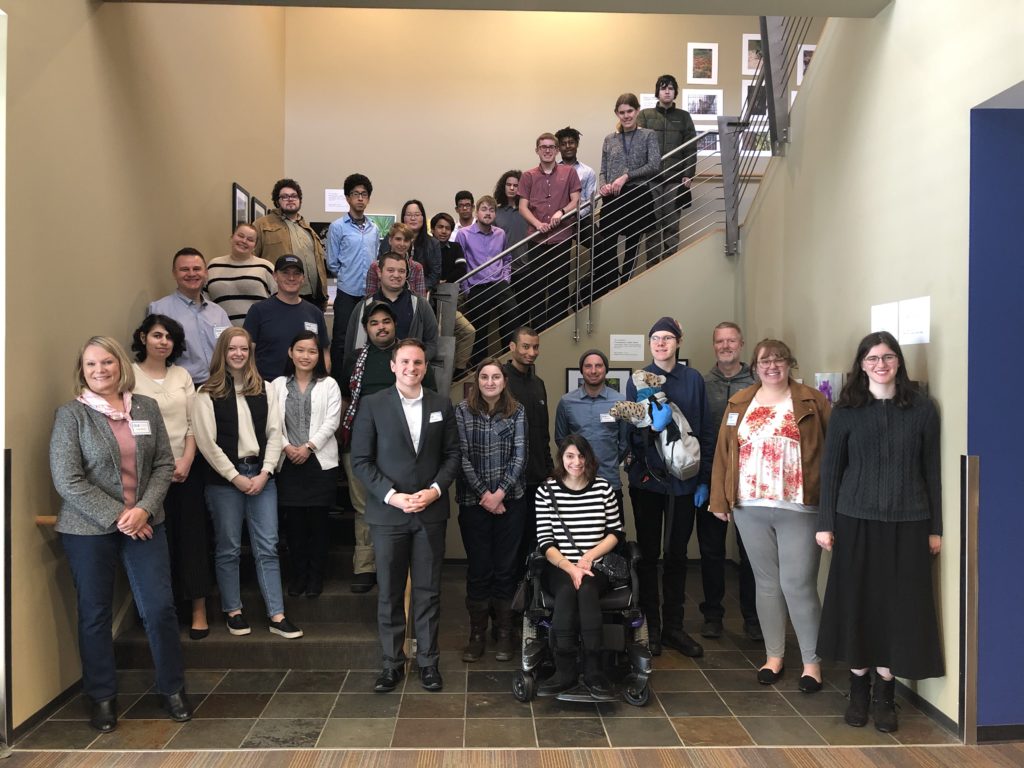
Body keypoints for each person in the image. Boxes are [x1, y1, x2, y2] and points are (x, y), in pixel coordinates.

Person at [50, 336, 192, 732]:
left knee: (160, 608)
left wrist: (144, 509)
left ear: (120, 365)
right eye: (91, 365)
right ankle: (101, 697)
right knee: (94, 614)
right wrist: (121, 515)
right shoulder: (70, 416)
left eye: (107, 363)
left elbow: (164, 464)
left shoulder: (144, 407)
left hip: (147, 523)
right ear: (83, 370)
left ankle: (172, 689)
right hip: (88, 530)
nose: (100, 370)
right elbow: (68, 480)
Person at [816, 331, 943, 733]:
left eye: (888, 357)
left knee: (899, 607)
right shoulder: (847, 411)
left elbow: (932, 472)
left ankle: (886, 692)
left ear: (899, 362)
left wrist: (935, 528)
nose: (881, 364)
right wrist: (825, 523)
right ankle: (858, 687)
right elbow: (832, 471)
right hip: (855, 520)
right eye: (872, 359)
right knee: (858, 603)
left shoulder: (922, 410)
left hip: (910, 522)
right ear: (862, 365)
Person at [708, 338, 829, 692]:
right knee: (767, 583)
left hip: (800, 506)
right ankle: (773, 656)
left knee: (799, 584)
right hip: (750, 506)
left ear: (790, 363)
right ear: (755, 366)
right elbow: (724, 454)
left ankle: (812, 662)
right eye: (764, 361)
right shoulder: (740, 401)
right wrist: (720, 500)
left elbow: (832, 452)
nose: (772, 366)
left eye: (778, 360)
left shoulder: (811, 400)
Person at [351, 339, 460, 693]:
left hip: (430, 512)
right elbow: (361, 462)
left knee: (428, 592)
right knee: (390, 593)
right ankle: (391, 664)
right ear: (394, 366)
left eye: (418, 362)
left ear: (425, 367)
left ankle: (428, 663)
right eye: (405, 362)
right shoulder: (372, 404)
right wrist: (393, 496)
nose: (412, 368)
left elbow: (452, 456)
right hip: (388, 515)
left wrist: (434, 491)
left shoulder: (441, 403)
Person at [192, 327, 303, 640]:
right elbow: (207, 443)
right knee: (227, 548)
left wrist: (266, 472)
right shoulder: (206, 393)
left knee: (267, 546)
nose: (238, 354)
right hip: (225, 480)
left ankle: (277, 614)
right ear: (222, 354)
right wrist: (236, 477)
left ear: (250, 353)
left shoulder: (265, 390)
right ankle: (233, 611)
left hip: (262, 476)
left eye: (243, 349)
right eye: (232, 349)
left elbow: (275, 433)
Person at [626, 317, 715, 659]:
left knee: (677, 556)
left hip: (684, 484)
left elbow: (706, 432)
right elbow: (630, 434)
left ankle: (675, 627)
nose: (661, 343)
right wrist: (650, 428)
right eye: (655, 339)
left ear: (679, 342)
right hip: (648, 483)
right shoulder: (638, 381)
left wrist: (704, 480)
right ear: (650, 344)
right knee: (648, 557)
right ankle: (651, 628)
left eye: (667, 338)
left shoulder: (693, 380)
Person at [339, 302, 438, 595]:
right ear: (366, 329)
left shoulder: (412, 359)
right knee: (362, 505)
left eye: (386, 321)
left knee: (401, 502)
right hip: (363, 443)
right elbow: (346, 401)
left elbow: (428, 396)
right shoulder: (356, 360)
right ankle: (365, 565)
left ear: (395, 324)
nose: (381, 327)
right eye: (374, 323)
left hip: (403, 446)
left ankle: (392, 568)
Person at [131, 315, 211, 640]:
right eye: (157, 335)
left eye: (169, 338)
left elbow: (194, 421)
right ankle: (162, 610)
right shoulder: (130, 376)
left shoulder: (182, 375)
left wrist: (188, 459)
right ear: (143, 338)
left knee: (193, 537)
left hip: (186, 468)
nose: (163, 342)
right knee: (156, 543)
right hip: (146, 475)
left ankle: (199, 611)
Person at [535, 434, 624, 699]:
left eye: (581, 455)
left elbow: (616, 532)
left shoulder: (603, 489)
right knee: (565, 591)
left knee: (586, 590)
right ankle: (564, 670)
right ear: (561, 459)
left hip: (597, 565)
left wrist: (587, 558)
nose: (576, 462)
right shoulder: (546, 490)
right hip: (559, 565)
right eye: (570, 456)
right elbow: (545, 541)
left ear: (589, 458)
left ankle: (593, 669)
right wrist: (570, 566)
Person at [455, 358, 527, 663]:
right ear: (477, 381)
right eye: (484, 377)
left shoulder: (517, 411)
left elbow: (521, 456)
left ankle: (505, 633)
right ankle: (477, 635)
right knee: (479, 569)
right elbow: (461, 456)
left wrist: (499, 494)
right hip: (474, 504)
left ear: (504, 380)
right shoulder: (462, 411)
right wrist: (485, 494)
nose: (489, 382)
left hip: (511, 503)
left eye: (495, 377)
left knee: (506, 569)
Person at [269, 332, 341, 599]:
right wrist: (287, 447)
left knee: (318, 525)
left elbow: (332, 421)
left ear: (319, 356)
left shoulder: (329, 384)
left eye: (312, 351)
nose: (306, 356)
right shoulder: (276, 384)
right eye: (300, 350)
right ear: (290, 352)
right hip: (287, 462)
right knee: (294, 525)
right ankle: (298, 576)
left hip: (319, 463)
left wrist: (309, 446)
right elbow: (272, 421)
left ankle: (315, 576)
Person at [701, 322, 760, 641]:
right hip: (713, 477)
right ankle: (712, 615)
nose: (725, 346)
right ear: (714, 346)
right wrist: (703, 480)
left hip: (751, 481)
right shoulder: (703, 384)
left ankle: (753, 618)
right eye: (720, 341)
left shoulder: (757, 382)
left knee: (751, 551)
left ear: (741, 344)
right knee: (711, 552)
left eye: (731, 341)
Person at [594, 94, 660, 299]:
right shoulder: (609, 139)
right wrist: (603, 186)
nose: (626, 116)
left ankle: (626, 286)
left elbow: (654, 165)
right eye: (622, 112)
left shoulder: (648, 135)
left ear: (637, 111)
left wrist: (626, 176)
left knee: (633, 245)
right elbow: (603, 170)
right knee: (607, 243)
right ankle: (614, 287)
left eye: (630, 111)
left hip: (637, 195)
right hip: (613, 198)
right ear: (617, 114)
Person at [518, 133, 581, 331]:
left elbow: (576, 201)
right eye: (543, 147)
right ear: (537, 150)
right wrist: (537, 224)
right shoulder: (528, 176)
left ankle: (557, 330)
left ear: (557, 150)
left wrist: (561, 212)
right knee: (535, 287)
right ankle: (538, 332)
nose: (547, 150)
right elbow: (522, 207)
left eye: (551, 146)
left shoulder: (569, 172)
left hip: (561, 237)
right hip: (536, 239)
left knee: (559, 286)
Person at [503, 326, 554, 568]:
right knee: (510, 544)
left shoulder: (539, 383)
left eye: (535, 347)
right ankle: (508, 601)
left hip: (537, 478)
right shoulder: (500, 380)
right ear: (512, 347)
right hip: (508, 482)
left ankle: (531, 601)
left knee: (536, 543)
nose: (531, 352)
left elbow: (543, 433)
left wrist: (549, 472)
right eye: (525, 346)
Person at [555, 349, 627, 515]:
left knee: (613, 534)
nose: (593, 371)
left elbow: (624, 443)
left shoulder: (620, 401)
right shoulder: (566, 402)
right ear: (582, 370)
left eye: (598, 366)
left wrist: (609, 460)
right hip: (575, 482)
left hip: (609, 481)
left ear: (606, 369)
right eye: (588, 366)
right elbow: (561, 440)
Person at [146, 247, 231, 385]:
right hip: (182, 388)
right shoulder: (159, 310)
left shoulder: (218, 312)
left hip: (220, 385)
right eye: (184, 269)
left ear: (206, 273)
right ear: (174, 273)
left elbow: (231, 347)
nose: (192, 274)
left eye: (197, 269)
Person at [638, 74, 697, 262]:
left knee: (671, 222)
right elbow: (638, 147)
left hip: (675, 178)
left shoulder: (684, 117)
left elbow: (691, 147)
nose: (667, 91)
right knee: (653, 224)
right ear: (657, 92)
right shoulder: (645, 115)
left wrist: (689, 174)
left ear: (675, 92)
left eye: (671, 88)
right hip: (651, 179)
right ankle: (653, 268)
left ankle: (670, 265)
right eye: (663, 88)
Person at [243, 255, 331, 381]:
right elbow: (248, 351)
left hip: (306, 388)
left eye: (296, 274)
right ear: (275, 276)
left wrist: (321, 382)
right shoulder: (258, 311)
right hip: (268, 387)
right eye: (285, 273)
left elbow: (325, 353)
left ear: (303, 279)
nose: (291, 278)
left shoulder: (315, 313)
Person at [344, 251, 439, 365]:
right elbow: (350, 347)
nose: (396, 275)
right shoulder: (363, 307)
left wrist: (415, 360)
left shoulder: (420, 305)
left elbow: (432, 342)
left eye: (401, 271)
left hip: (408, 373)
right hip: (371, 371)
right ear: (379, 272)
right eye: (390, 270)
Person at [328, 173, 380, 374]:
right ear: (347, 198)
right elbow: (332, 262)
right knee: (342, 338)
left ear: (368, 199)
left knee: (367, 337)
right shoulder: (337, 227)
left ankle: (360, 379)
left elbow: (375, 258)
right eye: (355, 194)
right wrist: (347, 275)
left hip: (368, 293)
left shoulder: (373, 229)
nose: (360, 198)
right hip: (347, 292)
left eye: (364, 194)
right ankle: (339, 384)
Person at [455, 195, 517, 366]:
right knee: (480, 330)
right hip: (476, 286)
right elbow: (460, 265)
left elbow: (507, 258)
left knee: (512, 315)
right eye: (484, 209)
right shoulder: (463, 234)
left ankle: (508, 360)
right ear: (476, 212)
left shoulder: (500, 234)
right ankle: (479, 367)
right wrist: (466, 288)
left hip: (499, 283)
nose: (488, 213)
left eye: (491, 210)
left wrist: (505, 278)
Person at [252, 178, 329, 309]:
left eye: (294, 196)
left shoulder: (308, 230)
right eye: (285, 196)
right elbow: (252, 260)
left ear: (300, 200)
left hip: (312, 299)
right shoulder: (262, 225)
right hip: (278, 296)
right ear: (277, 201)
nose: (290, 199)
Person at [431, 211, 476, 377]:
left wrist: (444, 281)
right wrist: (436, 281)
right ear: (433, 229)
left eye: (447, 228)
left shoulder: (455, 247)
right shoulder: (427, 247)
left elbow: (461, 268)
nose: (444, 231)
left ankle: (459, 371)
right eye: (440, 227)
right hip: (429, 303)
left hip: (448, 303)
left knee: (468, 331)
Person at [206, 223, 277, 326]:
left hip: (259, 332)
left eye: (250, 239)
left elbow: (279, 299)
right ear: (232, 237)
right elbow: (204, 300)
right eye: (240, 236)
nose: (244, 241)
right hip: (222, 333)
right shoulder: (213, 265)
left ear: (255, 246)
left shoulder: (265, 267)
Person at [493, 171, 529, 316]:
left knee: (525, 312)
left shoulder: (527, 211)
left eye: (516, 185)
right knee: (505, 314)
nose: (512, 188)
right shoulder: (496, 212)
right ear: (503, 187)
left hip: (526, 268)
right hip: (503, 271)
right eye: (509, 185)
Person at [555, 126, 598, 244]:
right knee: (561, 255)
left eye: (571, 142)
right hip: (558, 220)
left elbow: (591, 201)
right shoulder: (552, 171)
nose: (568, 146)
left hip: (581, 219)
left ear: (577, 144)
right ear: (558, 148)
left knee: (600, 245)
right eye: (563, 144)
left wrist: (576, 216)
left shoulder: (588, 171)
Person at [367, 223, 428, 298]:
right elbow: (369, 299)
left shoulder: (417, 268)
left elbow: (421, 301)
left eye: (406, 240)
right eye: (398, 239)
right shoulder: (375, 267)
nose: (402, 244)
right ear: (390, 240)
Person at [400, 199, 442, 293]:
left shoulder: (433, 243)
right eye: (409, 215)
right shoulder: (392, 239)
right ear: (403, 218)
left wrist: (420, 288)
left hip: (423, 293)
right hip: (395, 291)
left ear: (423, 217)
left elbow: (435, 273)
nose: (413, 218)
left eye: (417, 215)